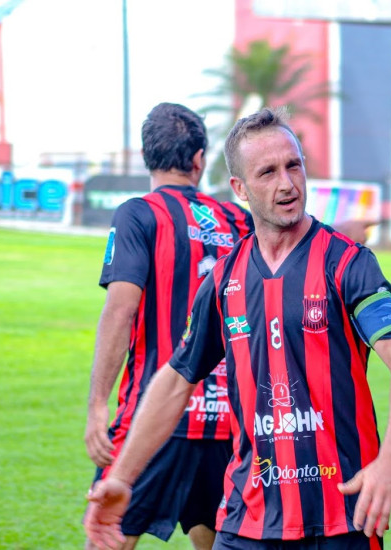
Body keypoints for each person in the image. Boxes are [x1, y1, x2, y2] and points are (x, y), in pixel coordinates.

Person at [84, 107, 391, 549]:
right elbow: (175, 379)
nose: (287, 184)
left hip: (340, 517)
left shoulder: (347, 263)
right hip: (248, 518)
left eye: (294, 166)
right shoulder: (224, 279)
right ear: (240, 189)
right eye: (267, 172)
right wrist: (122, 477)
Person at [84, 102, 255, 550]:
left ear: (147, 157)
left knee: (107, 534)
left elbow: (120, 311)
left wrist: (98, 405)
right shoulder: (238, 220)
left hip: (153, 414)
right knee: (219, 538)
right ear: (199, 159)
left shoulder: (138, 214)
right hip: (226, 418)